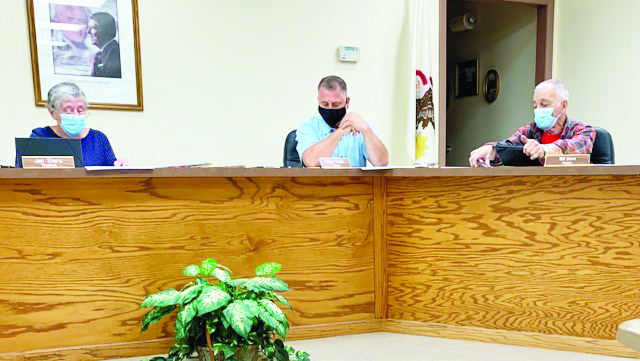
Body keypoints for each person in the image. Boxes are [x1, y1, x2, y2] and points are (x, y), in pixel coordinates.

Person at [468, 79, 595, 167]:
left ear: (563, 105)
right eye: (535, 105)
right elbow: (507, 147)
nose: (538, 110)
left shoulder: (583, 129)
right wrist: (492, 149)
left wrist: (544, 150)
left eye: (544, 104)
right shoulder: (529, 131)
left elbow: (580, 146)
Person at [17, 82, 128, 167]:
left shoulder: (98, 139)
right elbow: (25, 173)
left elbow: (112, 174)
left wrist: (121, 166)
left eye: (80, 110)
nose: (75, 115)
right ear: (53, 113)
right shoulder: (41, 136)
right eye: (68, 111)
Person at [296, 75, 389, 167]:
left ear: (347, 102)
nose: (330, 108)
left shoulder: (362, 126)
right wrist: (340, 132)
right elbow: (311, 162)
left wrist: (366, 130)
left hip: (355, 182)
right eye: (324, 104)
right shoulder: (308, 127)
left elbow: (381, 162)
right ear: (318, 101)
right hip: (321, 182)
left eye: (336, 104)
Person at [50, 5, 95, 76]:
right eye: (70, 20)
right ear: (57, 22)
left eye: (82, 21)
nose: (78, 26)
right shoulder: (53, 51)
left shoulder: (93, 54)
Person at [87, 12, 122, 78]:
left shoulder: (114, 55)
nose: (88, 31)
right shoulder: (104, 53)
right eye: (88, 27)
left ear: (106, 31)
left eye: (93, 28)